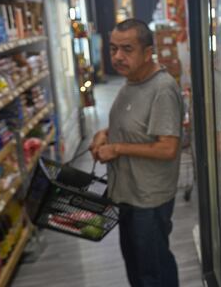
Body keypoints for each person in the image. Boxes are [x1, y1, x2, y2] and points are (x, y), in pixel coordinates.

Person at [90, 19, 183, 287]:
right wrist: (104, 135)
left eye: (127, 49)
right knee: (136, 268)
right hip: (127, 193)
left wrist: (116, 148)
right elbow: (133, 127)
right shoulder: (130, 82)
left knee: (153, 272)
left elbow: (168, 147)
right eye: (113, 48)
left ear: (147, 51)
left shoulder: (162, 89)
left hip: (149, 200)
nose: (118, 56)